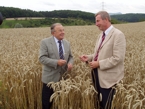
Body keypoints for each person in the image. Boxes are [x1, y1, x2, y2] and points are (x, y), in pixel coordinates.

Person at [79, 11, 126, 109]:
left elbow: (118, 58)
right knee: (99, 103)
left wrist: (99, 64)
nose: (96, 24)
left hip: (109, 79)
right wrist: (89, 57)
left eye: (98, 21)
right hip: (97, 76)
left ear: (106, 19)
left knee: (107, 105)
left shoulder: (118, 35)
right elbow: (99, 54)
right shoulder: (101, 35)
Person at [39, 23, 73, 109]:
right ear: (53, 33)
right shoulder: (45, 42)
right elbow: (42, 58)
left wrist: (70, 63)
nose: (63, 32)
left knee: (61, 103)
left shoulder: (67, 43)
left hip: (63, 79)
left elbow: (71, 57)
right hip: (49, 79)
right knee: (47, 104)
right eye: (60, 31)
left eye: (63, 30)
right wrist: (56, 62)